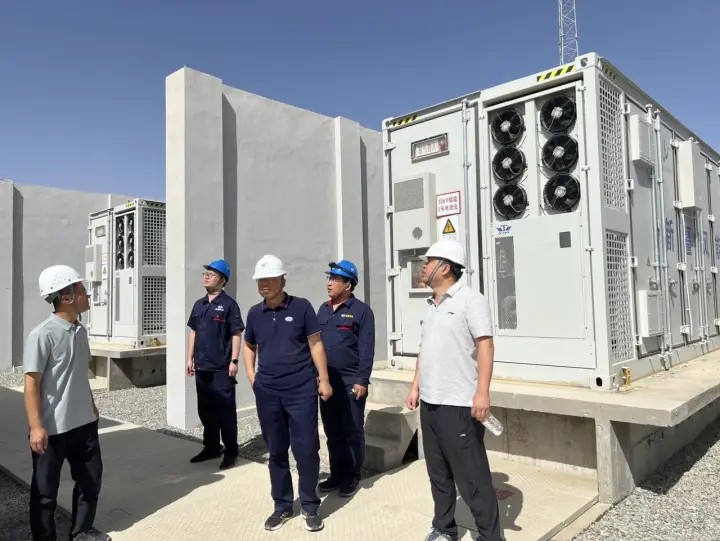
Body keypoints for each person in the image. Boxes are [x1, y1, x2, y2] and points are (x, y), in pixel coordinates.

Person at [405, 240, 502, 541]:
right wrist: (415, 386)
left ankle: (491, 536)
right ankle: (444, 528)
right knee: (438, 473)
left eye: (429, 261)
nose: (423, 266)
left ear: (445, 267)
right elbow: (425, 350)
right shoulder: (431, 305)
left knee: (472, 477)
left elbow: (485, 346)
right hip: (430, 402)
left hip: (459, 403)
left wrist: (482, 393)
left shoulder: (471, 300)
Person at [242, 255, 333, 533]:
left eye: (270, 279)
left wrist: (324, 380)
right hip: (268, 392)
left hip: (301, 390)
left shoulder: (302, 307)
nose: (264, 284)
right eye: (260, 280)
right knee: (277, 451)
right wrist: (252, 376)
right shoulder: (254, 313)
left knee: (306, 449)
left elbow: (315, 344)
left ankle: (309, 505)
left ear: (282, 280)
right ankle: (282, 505)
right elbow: (249, 345)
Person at [23, 265, 111, 541]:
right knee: (45, 492)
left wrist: (91, 404)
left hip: (84, 423)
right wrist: (36, 426)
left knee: (90, 481)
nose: (88, 294)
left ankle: (82, 531)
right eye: (82, 290)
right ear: (66, 297)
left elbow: (78, 374)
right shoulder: (42, 335)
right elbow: (31, 384)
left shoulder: (80, 331)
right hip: (52, 428)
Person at [316, 260, 375, 497]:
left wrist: (362, 380)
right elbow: (315, 345)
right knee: (332, 431)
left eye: (335, 279)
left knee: (352, 430)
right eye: (329, 278)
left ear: (348, 285)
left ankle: (352, 476)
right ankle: (337, 474)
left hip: (351, 381)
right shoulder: (323, 309)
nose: (329, 283)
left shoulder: (361, 311)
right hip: (327, 381)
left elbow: (367, 349)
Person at [186, 259, 245, 470]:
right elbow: (193, 332)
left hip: (221, 368)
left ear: (222, 280)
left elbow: (236, 333)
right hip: (202, 366)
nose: (206, 277)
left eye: (211, 274)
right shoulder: (199, 304)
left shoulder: (229, 305)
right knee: (206, 410)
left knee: (225, 412)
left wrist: (234, 360)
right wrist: (189, 358)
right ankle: (211, 447)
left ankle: (231, 451)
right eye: (205, 274)